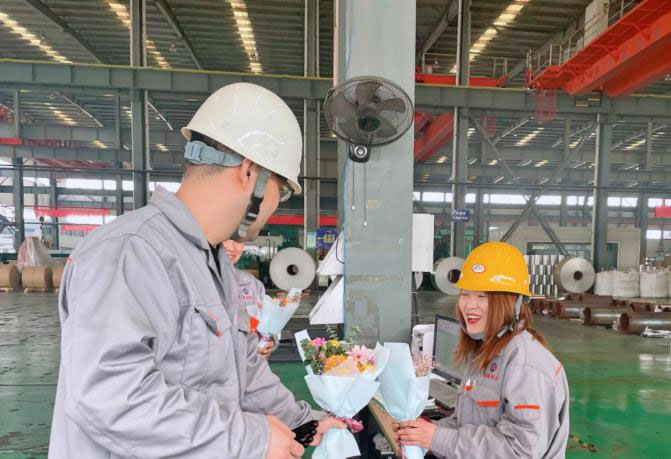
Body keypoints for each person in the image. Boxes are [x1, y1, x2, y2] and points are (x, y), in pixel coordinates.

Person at [49, 82, 343, 459]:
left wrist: (301, 422)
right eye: (281, 191)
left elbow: (244, 371)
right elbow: (111, 398)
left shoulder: (214, 264)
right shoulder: (129, 252)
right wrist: (251, 439)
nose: (276, 204)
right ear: (250, 174)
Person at [396, 242, 569, 458]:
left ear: (513, 302)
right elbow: (465, 424)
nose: (469, 305)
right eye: (465, 294)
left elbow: (519, 450)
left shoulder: (526, 364)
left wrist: (437, 438)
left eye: (482, 296)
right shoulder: (487, 350)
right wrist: (419, 434)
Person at [223, 239, 276, 360]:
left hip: (250, 365)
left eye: (238, 240)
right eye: (225, 239)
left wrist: (269, 341)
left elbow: (265, 322)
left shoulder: (251, 283)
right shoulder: (191, 282)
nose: (230, 247)